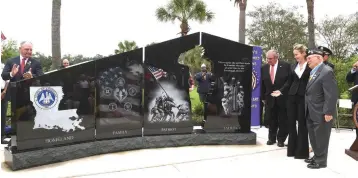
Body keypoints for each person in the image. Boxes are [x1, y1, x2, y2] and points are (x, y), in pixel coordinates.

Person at [304, 48, 338, 169]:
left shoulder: (327, 71)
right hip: (311, 110)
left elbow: (331, 94)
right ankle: (317, 156)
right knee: (313, 136)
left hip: (321, 112)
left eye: (309, 58)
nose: (307, 60)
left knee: (321, 136)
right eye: (307, 58)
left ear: (319, 58)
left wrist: (328, 112)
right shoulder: (314, 71)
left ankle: (321, 161)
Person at [286, 44, 311, 159]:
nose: (295, 56)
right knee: (291, 123)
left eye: (297, 54)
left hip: (303, 97)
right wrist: (280, 91)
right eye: (294, 54)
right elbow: (288, 83)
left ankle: (301, 152)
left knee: (302, 124)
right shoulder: (293, 66)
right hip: (291, 97)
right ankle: (291, 150)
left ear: (303, 53)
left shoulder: (310, 66)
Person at [261, 50, 291, 147]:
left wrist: (281, 91)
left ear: (276, 57)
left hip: (283, 98)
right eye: (267, 58)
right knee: (271, 119)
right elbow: (262, 84)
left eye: (270, 58)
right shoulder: (264, 68)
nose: (268, 60)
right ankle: (271, 138)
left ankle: (281, 139)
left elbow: (289, 81)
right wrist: (263, 97)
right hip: (270, 98)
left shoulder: (286, 66)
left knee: (283, 120)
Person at [345, 60, 358, 137]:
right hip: (357, 100)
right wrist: (354, 68)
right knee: (357, 121)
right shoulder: (356, 69)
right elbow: (348, 79)